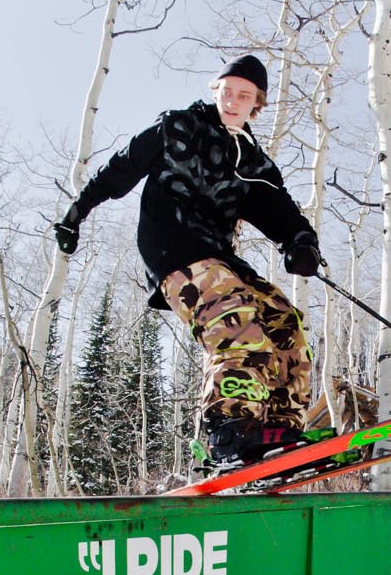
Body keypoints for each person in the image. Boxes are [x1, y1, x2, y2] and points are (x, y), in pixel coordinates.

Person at [54, 54, 323, 468]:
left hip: (219, 257)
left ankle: (278, 428)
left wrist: (301, 242)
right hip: (172, 246)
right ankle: (229, 429)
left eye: (244, 96)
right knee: (233, 316)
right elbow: (119, 170)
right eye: (227, 92)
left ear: (257, 104)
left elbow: (281, 212)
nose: (232, 102)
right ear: (216, 91)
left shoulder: (252, 162)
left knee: (284, 319)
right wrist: (76, 215)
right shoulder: (176, 128)